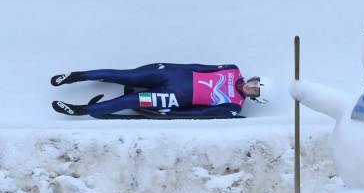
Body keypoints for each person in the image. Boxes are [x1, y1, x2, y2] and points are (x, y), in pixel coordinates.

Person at [50, 63, 271, 119]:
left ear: (254, 98)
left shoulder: (233, 107)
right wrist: (170, 66)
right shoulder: (233, 69)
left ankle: (82, 110)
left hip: (173, 98)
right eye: (255, 83)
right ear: (253, 78)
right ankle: (77, 76)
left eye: (254, 91)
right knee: (126, 76)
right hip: (172, 75)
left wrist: (172, 114)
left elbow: (202, 114)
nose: (250, 87)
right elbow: (200, 67)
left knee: (131, 100)